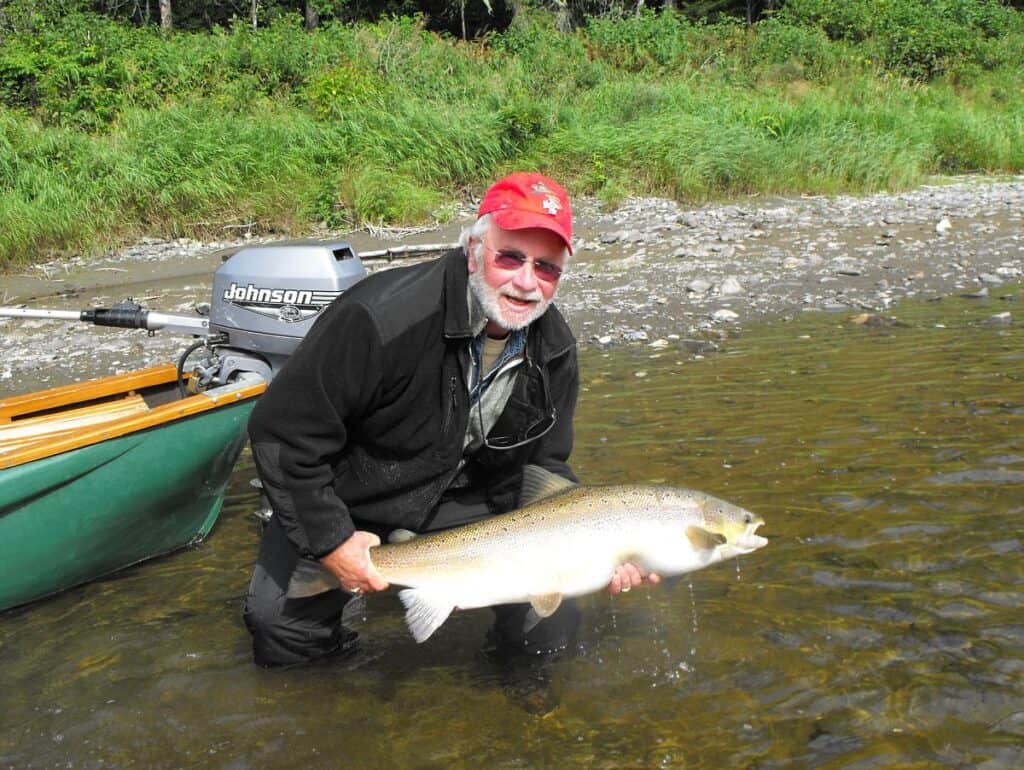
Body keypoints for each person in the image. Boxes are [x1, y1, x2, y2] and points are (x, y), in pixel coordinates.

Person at [243, 172, 656, 667]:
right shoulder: (379, 319)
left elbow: (546, 466)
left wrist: (601, 549)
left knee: (551, 623)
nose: (527, 283)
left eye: (546, 268)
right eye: (510, 258)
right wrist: (330, 539)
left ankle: (520, 720)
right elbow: (283, 435)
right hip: (353, 493)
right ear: (473, 249)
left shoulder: (556, 349)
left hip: (465, 500)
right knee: (280, 628)